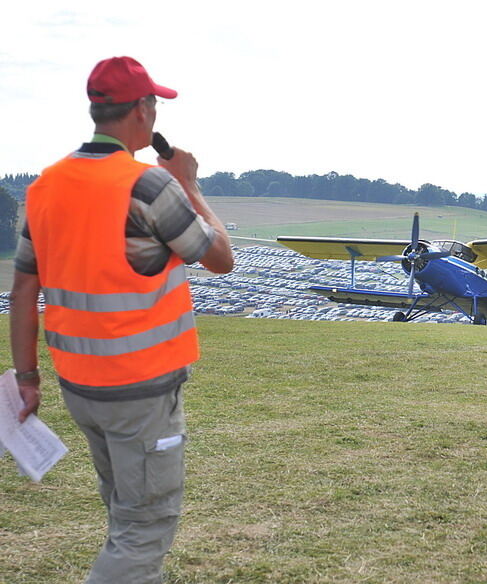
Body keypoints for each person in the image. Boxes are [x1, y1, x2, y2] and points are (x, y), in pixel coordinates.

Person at [9, 56, 233, 584]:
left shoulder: (44, 188)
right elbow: (221, 258)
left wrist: (26, 378)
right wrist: (190, 185)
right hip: (141, 391)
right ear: (142, 111)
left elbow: (23, 290)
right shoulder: (148, 187)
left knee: (124, 511)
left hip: (79, 387)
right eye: (153, 104)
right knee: (144, 526)